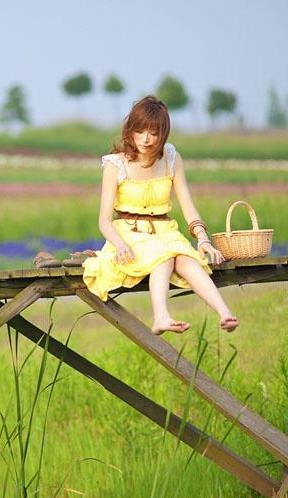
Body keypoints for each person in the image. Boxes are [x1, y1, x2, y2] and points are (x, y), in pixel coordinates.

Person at [82, 95, 238, 335]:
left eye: (154, 133)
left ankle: (225, 313)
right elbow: (104, 220)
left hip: (165, 231)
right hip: (129, 233)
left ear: (163, 134)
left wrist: (203, 239)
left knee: (186, 258)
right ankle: (161, 317)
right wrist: (119, 244)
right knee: (164, 257)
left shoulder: (172, 158)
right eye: (140, 130)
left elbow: (187, 205)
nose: (146, 139)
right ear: (131, 130)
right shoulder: (115, 164)